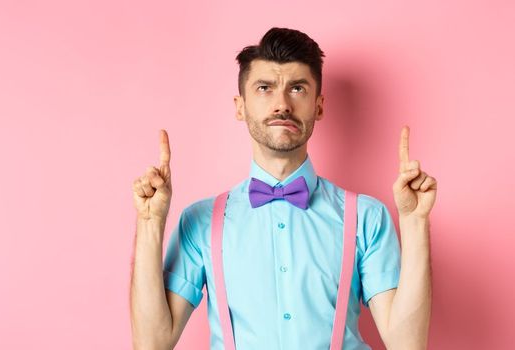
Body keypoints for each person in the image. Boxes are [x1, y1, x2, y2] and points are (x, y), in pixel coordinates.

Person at [129, 27, 435, 349]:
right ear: (240, 106)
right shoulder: (200, 221)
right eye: (265, 88)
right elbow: (152, 343)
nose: (282, 104)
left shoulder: (367, 217)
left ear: (318, 106)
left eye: (298, 88)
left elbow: (406, 344)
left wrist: (415, 223)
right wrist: (150, 224)